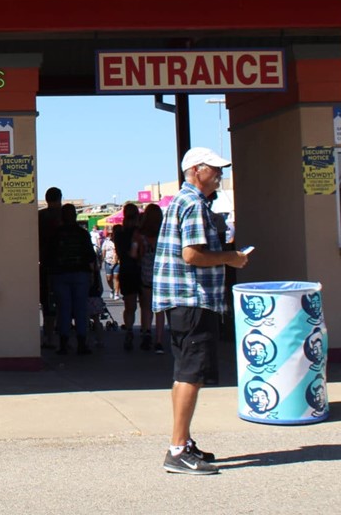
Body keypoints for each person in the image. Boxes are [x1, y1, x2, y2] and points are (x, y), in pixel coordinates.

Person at [153, 146, 250, 475]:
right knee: (191, 375)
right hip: (193, 299)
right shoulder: (193, 203)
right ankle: (177, 449)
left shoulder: (183, 201)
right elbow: (192, 255)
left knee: (184, 374)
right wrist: (230, 257)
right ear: (196, 170)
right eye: (215, 168)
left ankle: (183, 441)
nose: (220, 173)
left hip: (183, 301)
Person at [46, 204, 98, 355]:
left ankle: (64, 343)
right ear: (75, 216)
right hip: (81, 275)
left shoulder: (56, 235)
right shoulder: (82, 234)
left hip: (60, 275)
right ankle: (82, 343)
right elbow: (91, 256)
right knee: (81, 309)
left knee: (64, 309)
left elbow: (49, 256)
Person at [131, 203, 163, 352]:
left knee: (146, 306)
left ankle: (146, 332)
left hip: (146, 272)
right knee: (160, 309)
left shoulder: (139, 235)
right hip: (162, 274)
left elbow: (133, 254)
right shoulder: (164, 234)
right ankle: (159, 341)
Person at [114, 203, 142, 350]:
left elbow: (120, 252)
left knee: (129, 306)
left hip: (126, 269)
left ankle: (129, 329)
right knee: (146, 305)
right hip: (140, 269)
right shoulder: (140, 232)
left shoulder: (119, 233)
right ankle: (146, 332)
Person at [38, 186, 63, 348]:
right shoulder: (64, 216)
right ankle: (62, 338)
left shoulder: (39, 217)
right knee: (64, 303)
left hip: (45, 264)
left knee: (47, 303)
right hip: (65, 266)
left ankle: (48, 336)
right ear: (60, 198)